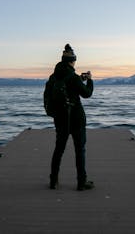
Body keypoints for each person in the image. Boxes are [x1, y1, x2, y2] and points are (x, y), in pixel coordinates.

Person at [48, 44, 94, 191]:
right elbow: (86, 94)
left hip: (60, 118)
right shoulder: (73, 78)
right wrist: (90, 80)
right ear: (72, 61)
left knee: (59, 150)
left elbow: (61, 89)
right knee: (79, 150)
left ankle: (53, 181)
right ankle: (81, 182)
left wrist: (79, 79)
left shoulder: (53, 77)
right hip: (76, 119)